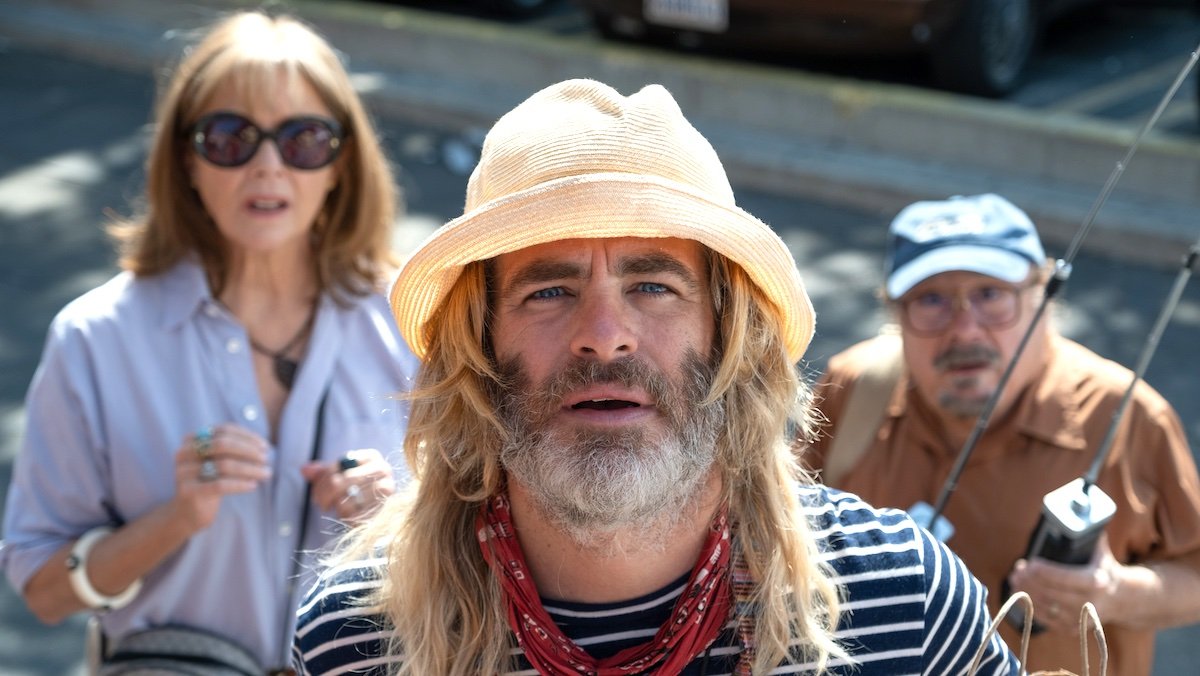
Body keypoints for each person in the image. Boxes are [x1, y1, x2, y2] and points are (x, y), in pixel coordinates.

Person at [291, 79, 1019, 675]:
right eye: (548, 291)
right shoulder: (357, 640)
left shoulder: (905, 607)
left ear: (727, 331)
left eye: (654, 287)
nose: (604, 337)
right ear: (478, 344)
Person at [0, 11, 419, 673]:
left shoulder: (415, 324)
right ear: (186, 161)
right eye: (230, 137)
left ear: (341, 164)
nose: (268, 166)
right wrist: (175, 517)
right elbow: (45, 593)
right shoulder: (96, 339)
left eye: (304, 138)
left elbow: (497, 561)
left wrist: (397, 524)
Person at [806, 193, 1200, 675]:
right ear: (895, 314)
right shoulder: (852, 390)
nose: (965, 330)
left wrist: (1115, 592)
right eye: (931, 300)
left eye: (991, 296)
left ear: (1042, 300)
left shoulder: (1127, 416)